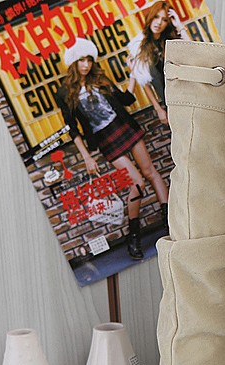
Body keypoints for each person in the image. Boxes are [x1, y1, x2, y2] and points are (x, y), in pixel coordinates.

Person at [56, 37, 169, 260]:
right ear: (74, 62)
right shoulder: (64, 93)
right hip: (105, 139)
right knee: (137, 183)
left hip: (124, 127)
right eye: (81, 60)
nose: (86, 65)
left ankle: (170, 222)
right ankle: (133, 236)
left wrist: (132, 75)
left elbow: (125, 100)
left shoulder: (100, 79)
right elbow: (73, 129)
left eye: (89, 60)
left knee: (150, 172)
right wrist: (87, 157)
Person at [127, 1, 190, 125]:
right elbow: (145, 83)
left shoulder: (171, 40)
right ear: (150, 17)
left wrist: (179, 25)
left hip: (190, 94)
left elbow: (193, 51)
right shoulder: (139, 47)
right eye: (156, 17)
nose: (159, 22)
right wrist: (158, 109)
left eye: (164, 20)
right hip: (170, 102)